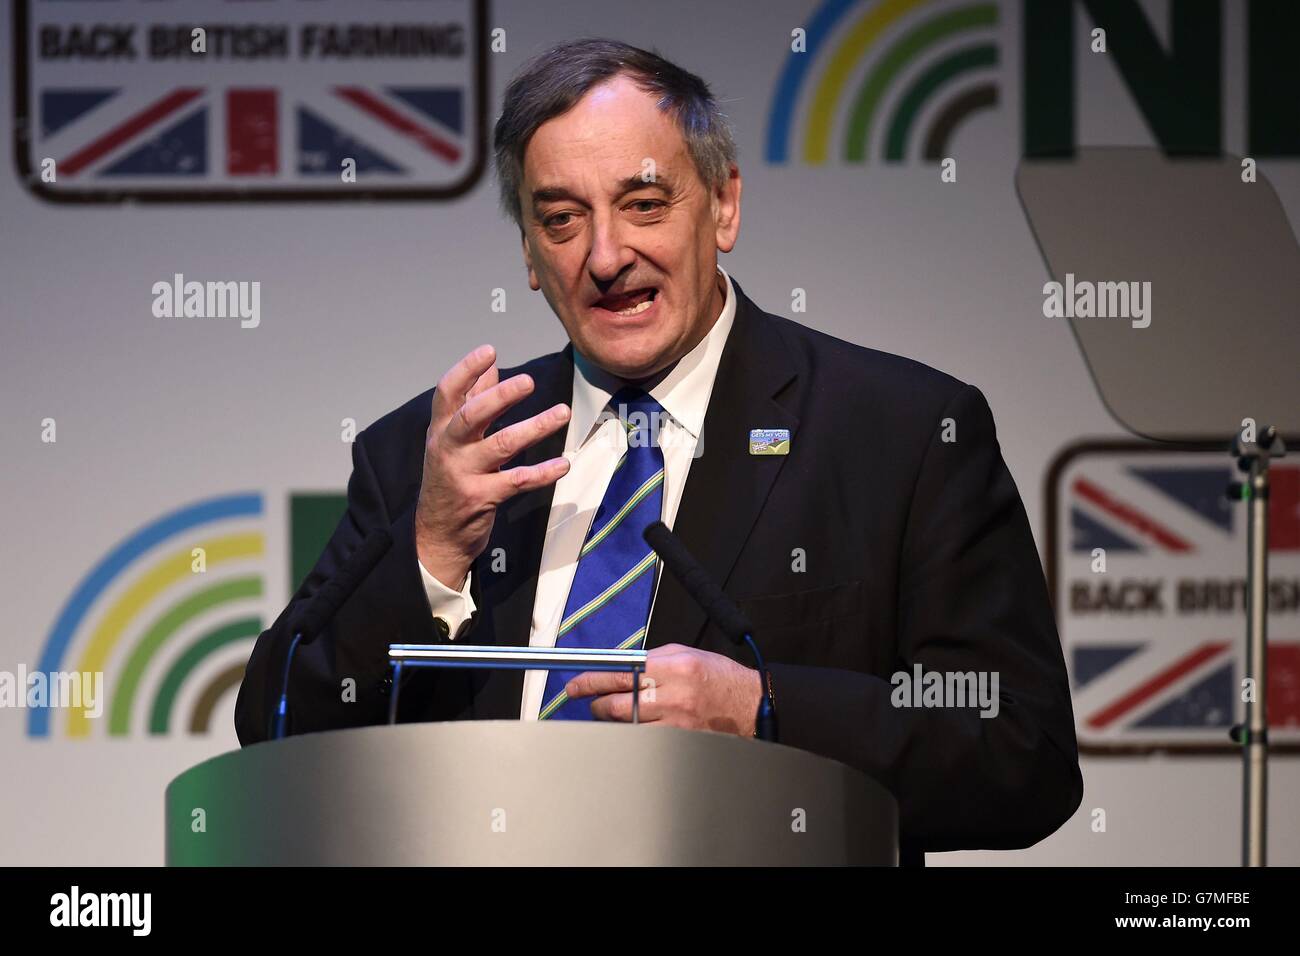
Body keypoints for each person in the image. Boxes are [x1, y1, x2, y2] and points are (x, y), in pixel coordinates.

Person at [236, 38, 1083, 862]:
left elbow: (1023, 751)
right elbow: (277, 728)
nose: (606, 256)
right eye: (562, 219)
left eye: (644, 204)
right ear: (529, 254)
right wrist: (429, 551)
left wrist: (767, 712)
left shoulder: (901, 433)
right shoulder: (436, 454)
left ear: (724, 207)